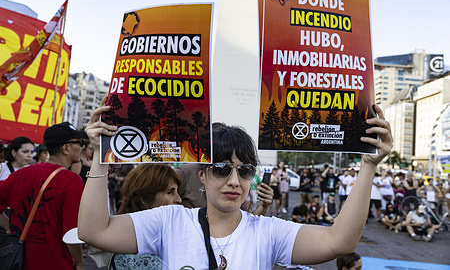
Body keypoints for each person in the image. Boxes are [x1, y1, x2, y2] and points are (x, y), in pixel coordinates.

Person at [78, 102, 392, 268]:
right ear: (201, 174)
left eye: (245, 171)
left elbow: (340, 242)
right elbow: (94, 231)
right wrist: (101, 157)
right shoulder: (169, 221)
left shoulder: (268, 231)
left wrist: (368, 166)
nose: (234, 181)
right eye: (220, 169)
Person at [0, 122, 86, 269]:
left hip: (17, 262)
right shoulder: (71, 181)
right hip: (54, 263)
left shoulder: (20, 174)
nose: (82, 147)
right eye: (80, 142)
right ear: (66, 147)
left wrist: (9, 227)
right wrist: (79, 262)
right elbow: (71, 234)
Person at [111, 164, 182, 269]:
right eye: (169, 193)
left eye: (177, 192)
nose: (179, 199)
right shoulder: (133, 251)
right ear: (145, 198)